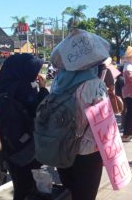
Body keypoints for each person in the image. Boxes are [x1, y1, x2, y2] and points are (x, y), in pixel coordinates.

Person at [51, 30, 110, 200]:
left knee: (69, 192)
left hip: (62, 147)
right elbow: (104, 121)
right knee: (86, 195)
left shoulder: (58, 81)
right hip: (88, 151)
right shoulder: (95, 84)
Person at [0, 54, 49, 200]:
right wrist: (43, 90)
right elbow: (41, 112)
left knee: (20, 184)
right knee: (28, 187)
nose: (36, 73)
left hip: (11, 142)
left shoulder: (4, 85)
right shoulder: (24, 88)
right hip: (27, 145)